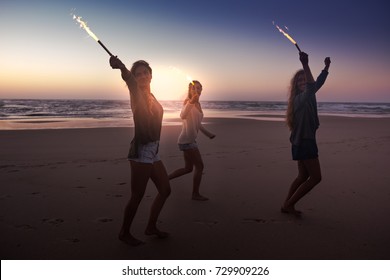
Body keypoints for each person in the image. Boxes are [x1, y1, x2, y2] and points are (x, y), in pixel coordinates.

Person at [110, 57, 171, 246]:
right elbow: (128, 79)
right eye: (139, 74)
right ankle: (124, 232)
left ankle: (151, 227)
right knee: (137, 195)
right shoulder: (136, 92)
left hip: (153, 150)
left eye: (146, 72)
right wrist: (121, 67)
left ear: (151, 75)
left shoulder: (151, 96)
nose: (143, 76)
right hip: (141, 150)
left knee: (165, 190)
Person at [282, 52, 331, 216]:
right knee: (316, 178)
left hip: (300, 141)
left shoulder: (309, 96)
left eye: (305, 79)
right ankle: (289, 204)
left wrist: (326, 68)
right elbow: (311, 85)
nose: (303, 82)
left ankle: (286, 205)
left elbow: (316, 83)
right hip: (304, 142)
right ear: (296, 85)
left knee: (303, 176)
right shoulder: (299, 100)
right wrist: (305, 64)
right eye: (300, 80)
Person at [168, 80, 215, 201]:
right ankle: (195, 194)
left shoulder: (198, 104)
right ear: (190, 90)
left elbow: (198, 124)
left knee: (188, 168)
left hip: (190, 140)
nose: (196, 91)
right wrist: (191, 102)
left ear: (201, 90)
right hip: (187, 141)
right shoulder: (188, 102)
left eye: (199, 88)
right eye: (194, 88)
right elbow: (183, 115)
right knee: (200, 166)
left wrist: (208, 134)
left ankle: (165, 179)